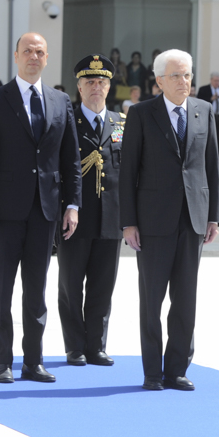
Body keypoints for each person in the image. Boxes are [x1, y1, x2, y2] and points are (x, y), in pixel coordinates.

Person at [0, 32, 81, 384]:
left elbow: (71, 160)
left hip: (45, 211)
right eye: (28, 51)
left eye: (40, 52)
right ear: (16, 57)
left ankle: (34, 361)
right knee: (2, 289)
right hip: (3, 211)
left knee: (37, 290)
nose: (34, 56)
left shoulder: (61, 101)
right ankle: (3, 361)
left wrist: (72, 205)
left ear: (47, 58)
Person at [120, 49, 219, 391]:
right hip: (152, 222)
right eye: (176, 76)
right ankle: (152, 371)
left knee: (185, 298)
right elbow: (129, 171)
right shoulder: (141, 114)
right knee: (152, 300)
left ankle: (177, 368)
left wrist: (213, 217)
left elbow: (211, 167)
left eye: (188, 75)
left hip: (192, 219)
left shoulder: (203, 111)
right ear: (159, 80)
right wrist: (129, 222)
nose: (184, 82)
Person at [58, 55, 124, 368]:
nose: (96, 87)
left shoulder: (121, 124)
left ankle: (96, 345)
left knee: (102, 285)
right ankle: (75, 346)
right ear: (79, 88)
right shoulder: (67, 121)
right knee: (71, 285)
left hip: (110, 220)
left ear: (109, 87)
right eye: (89, 82)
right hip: (76, 218)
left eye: (101, 82)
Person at [197, 72, 219, 169]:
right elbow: (199, 101)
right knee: (208, 139)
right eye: (215, 81)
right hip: (209, 118)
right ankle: (206, 161)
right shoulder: (204, 89)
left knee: (218, 140)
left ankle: (218, 161)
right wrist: (211, 99)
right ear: (211, 80)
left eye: (218, 81)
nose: (217, 83)